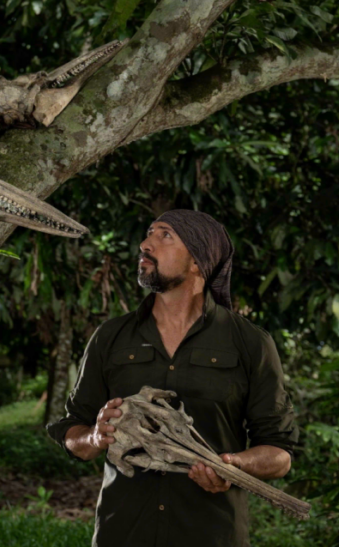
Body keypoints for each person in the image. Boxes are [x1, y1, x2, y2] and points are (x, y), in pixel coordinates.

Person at [46, 209, 299, 546]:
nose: (145, 244)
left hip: (210, 535)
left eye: (164, 235)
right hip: (122, 533)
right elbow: (72, 429)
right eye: (149, 233)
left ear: (198, 261)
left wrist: (233, 465)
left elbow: (280, 454)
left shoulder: (250, 342)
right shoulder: (111, 337)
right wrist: (93, 437)